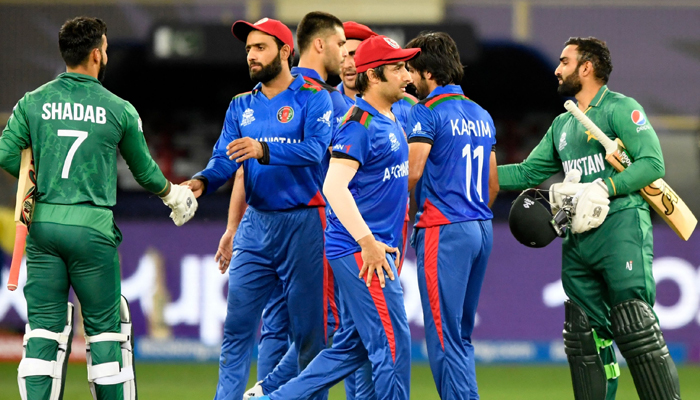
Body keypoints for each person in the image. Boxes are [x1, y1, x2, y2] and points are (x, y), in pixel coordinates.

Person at [0, 16, 197, 400]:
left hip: (43, 224)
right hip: (92, 230)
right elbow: (144, 170)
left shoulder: (32, 103)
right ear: (96, 54)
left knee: (43, 333)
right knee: (107, 333)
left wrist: (42, 185)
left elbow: (7, 155)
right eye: (105, 48)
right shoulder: (117, 108)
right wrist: (173, 196)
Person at [498, 37, 681, 400]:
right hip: (577, 237)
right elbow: (527, 173)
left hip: (621, 227)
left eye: (565, 61)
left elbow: (652, 164)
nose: (557, 68)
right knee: (583, 335)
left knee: (635, 325)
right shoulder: (563, 125)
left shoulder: (620, 109)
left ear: (587, 67)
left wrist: (607, 187)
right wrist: (471, 170)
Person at [251, 34, 418, 400]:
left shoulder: (389, 117)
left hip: (372, 249)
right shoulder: (359, 123)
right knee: (393, 343)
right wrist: (367, 242)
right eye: (399, 67)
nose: (408, 75)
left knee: (349, 349)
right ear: (373, 76)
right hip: (363, 253)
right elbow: (334, 187)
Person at [180, 17, 333, 400]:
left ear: (285, 51)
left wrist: (264, 149)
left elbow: (316, 150)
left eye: (260, 47)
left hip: (305, 223)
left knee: (309, 337)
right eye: (248, 48)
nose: (251, 55)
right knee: (236, 330)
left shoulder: (314, 98)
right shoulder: (240, 106)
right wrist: (201, 182)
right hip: (256, 224)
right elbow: (223, 160)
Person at [240, 11, 348, 398]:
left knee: (277, 326)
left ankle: (265, 392)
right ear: (319, 45)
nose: (346, 58)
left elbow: (245, 165)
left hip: (267, 225)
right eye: (341, 47)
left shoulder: (276, 93)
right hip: (312, 228)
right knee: (319, 329)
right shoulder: (324, 100)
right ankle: (276, 392)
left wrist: (233, 227)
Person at [404, 31, 498, 399]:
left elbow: (411, 172)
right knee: (460, 335)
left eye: (411, 70)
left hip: (444, 229)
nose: (408, 79)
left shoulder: (426, 112)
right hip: (480, 227)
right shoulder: (481, 113)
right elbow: (492, 183)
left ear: (427, 72)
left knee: (443, 337)